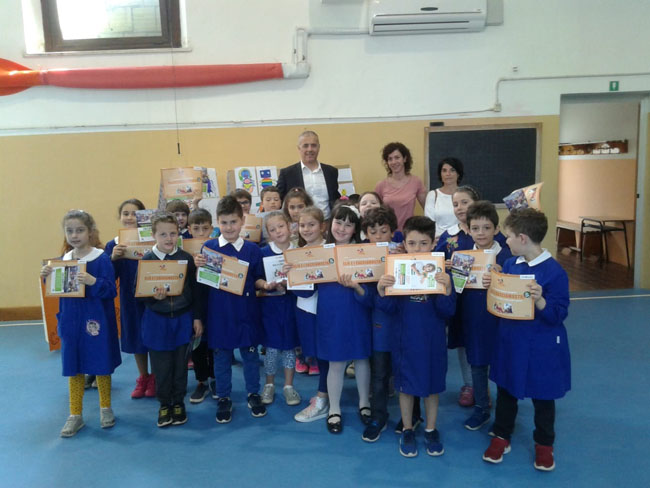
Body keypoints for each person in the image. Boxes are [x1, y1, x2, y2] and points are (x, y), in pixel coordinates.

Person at [483, 208, 570, 472]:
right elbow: (503, 301)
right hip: (511, 341)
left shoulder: (555, 272)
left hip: (541, 345)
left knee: (543, 396)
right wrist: (493, 284)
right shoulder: (511, 264)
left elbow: (559, 314)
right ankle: (502, 435)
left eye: (508, 237)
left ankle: (544, 443)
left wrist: (540, 300)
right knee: (506, 390)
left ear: (522, 238)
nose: (505, 241)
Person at [376, 216, 455, 458]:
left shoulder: (441, 274)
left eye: (423, 243)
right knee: (405, 387)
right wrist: (381, 290)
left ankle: (431, 429)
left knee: (432, 387)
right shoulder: (397, 270)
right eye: (412, 243)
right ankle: (408, 429)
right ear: (404, 244)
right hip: (404, 341)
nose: (417, 249)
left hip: (433, 342)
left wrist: (447, 289)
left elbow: (447, 312)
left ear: (433, 244)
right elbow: (388, 309)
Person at [40, 210, 121, 437]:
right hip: (71, 321)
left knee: (101, 362)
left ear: (90, 232)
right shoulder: (63, 260)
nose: (74, 235)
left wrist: (93, 281)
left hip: (96, 321)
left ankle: (106, 407)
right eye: (70, 231)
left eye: (80, 230)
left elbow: (110, 290)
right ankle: (75, 414)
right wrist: (47, 276)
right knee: (73, 365)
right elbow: (57, 289)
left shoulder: (101, 258)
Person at [301, 204, 373, 434]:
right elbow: (305, 288)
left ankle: (364, 403)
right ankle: (334, 409)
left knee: (361, 359)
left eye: (348, 225)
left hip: (357, 312)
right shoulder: (320, 252)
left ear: (356, 229)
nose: (342, 228)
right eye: (338, 222)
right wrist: (292, 272)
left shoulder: (363, 252)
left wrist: (357, 287)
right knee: (336, 361)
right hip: (331, 314)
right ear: (330, 223)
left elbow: (371, 292)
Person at [195, 195, 267, 423]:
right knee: (222, 358)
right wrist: (197, 267)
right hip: (219, 314)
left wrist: (266, 285)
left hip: (246, 312)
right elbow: (202, 284)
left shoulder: (253, 250)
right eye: (224, 222)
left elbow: (258, 279)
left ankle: (253, 393)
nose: (229, 227)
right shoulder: (209, 248)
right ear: (217, 222)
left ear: (242, 220)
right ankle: (224, 397)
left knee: (250, 356)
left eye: (233, 222)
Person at [139, 212, 202, 427]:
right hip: (157, 322)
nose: (168, 238)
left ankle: (178, 402)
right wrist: (153, 297)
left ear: (179, 234)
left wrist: (197, 318)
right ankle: (164, 403)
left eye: (173, 234)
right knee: (161, 366)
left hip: (182, 320)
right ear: (153, 235)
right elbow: (138, 292)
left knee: (180, 365)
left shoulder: (186, 258)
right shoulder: (147, 260)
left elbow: (195, 291)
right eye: (163, 234)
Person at [458, 201, 512, 431]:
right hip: (475, 320)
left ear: (496, 229)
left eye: (487, 227)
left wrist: (502, 276)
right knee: (477, 365)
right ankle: (481, 408)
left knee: (503, 365)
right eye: (475, 228)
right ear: (468, 229)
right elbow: (457, 290)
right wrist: (452, 273)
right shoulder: (463, 256)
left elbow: (516, 290)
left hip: (501, 322)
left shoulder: (508, 256)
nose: (481, 233)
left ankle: (505, 413)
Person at [434, 185, 481, 407]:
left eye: (465, 202)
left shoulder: (487, 232)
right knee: (463, 342)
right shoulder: (449, 236)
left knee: (483, 341)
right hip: (459, 300)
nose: (460, 207)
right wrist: (444, 264)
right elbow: (434, 261)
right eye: (455, 204)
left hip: (482, 299)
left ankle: (483, 385)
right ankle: (470, 385)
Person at [104, 198, 153, 399]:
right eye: (126, 213)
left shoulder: (153, 239)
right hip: (130, 300)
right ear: (120, 216)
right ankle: (144, 377)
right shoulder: (114, 245)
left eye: (135, 213)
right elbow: (108, 277)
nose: (130, 217)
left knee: (154, 336)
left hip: (153, 298)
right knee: (135, 337)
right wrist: (113, 258)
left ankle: (156, 377)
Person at [359, 206, 399, 443]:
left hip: (403, 323)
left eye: (384, 231)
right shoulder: (363, 258)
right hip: (380, 325)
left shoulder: (403, 253)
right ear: (366, 234)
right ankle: (378, 416)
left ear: (392, 232)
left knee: (405, 371)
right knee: (380, 374)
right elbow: (365, 299)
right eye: (373, 232)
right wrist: (359, 287)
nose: (379, 236)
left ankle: (411, 416)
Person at [258, 211, 301, 406]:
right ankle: (269, 384)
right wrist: (266, 285)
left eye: (281, 226)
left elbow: (306, 279)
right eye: (272, 229)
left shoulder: (298, 252)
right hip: (270, 307)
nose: (278, 231)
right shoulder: (263, 253)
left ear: (290, 226)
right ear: (268, 234)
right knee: (272, 348)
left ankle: (288, 386)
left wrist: (290, 282)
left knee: (289, 347)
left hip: (292, 306)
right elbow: (256, 279)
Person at [292, 206, 331, 421]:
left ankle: (323, 397)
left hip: (325, 311)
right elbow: (300, 288)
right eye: (302, 225)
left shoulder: (330, 250)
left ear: (322, 226)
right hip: (305, 309)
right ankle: (324, 393)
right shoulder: (297, 252)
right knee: (315, 353)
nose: (306, 229)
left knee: (325, 355)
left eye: (311, 224)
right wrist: (290, 275)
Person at [186, 208, 216, 404]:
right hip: (194, 306)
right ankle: (201, 381)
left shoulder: (217, 248)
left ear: (211, 229)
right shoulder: (185, 252)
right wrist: (193, 265)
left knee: (214, 344)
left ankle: (214, 378)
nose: (201, 232)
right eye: (196, 228)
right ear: (189, 229)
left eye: (205, 228)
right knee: (197, 345)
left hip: (213, 305)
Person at [277, 131, 340, 219]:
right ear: (299, 148)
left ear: (319, 147)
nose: (310, 149)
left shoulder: (331, 172)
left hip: (327, 223)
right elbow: (279, 201)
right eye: (305, 146)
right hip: (300, 225)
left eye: (313, 145)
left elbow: (335, 199)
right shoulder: (287, 174)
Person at [374, 142, 427, 231]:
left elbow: (428, 209)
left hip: (409, 232)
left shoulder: (416, 182)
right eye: (390, 159)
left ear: (405, 159)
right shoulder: (380, 185)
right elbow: (374, 214)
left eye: (397, 157)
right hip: (387, 233)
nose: (394, 162)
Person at [424, 157, 464, 242]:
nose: (448, 174)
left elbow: (469, 220)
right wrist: (442, 239)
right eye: (444, 171)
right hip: (438, 241)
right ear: (440, 174)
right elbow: (428, 223)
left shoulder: (465, 195)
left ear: (458, 174)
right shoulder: (433, 195)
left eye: (452, 170)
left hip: (461, 240)